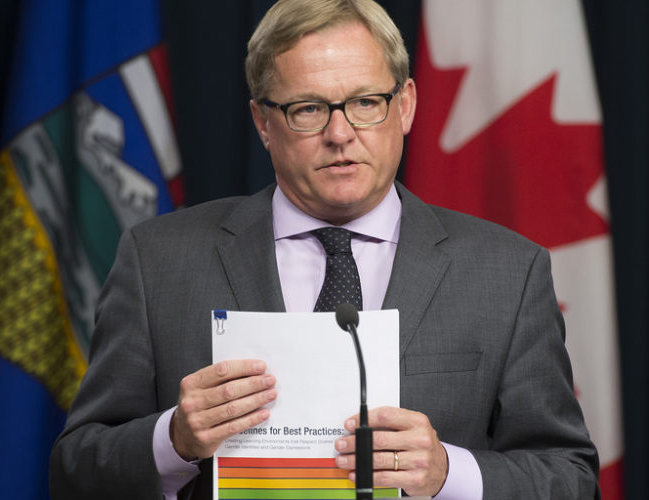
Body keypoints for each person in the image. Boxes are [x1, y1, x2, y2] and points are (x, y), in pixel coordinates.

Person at [49, 0, 599, 498]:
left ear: (405, 106)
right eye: (309, 108)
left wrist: (446, 474)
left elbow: (570, 478)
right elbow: (75, 470)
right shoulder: (158, 261)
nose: (340, 133)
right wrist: (173, 439)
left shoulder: (508, 273)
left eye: (366, 102)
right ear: (263, 122)